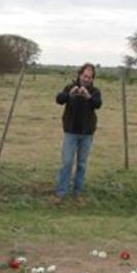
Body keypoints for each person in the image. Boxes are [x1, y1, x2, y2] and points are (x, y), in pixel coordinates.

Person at [53, 63, 102, 202]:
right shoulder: (70, 87)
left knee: (81, 164)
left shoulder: (95, 91)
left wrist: (88, 97)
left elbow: (98, 104)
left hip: (87, 133)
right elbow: (59, 100)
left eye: (89, 77)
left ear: (93, 78)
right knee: (67, 162)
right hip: (71, 131)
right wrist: (69, 94)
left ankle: (77, 193)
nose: (86, 79)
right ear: (80, 75)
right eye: (84, 76)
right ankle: (61, 193)